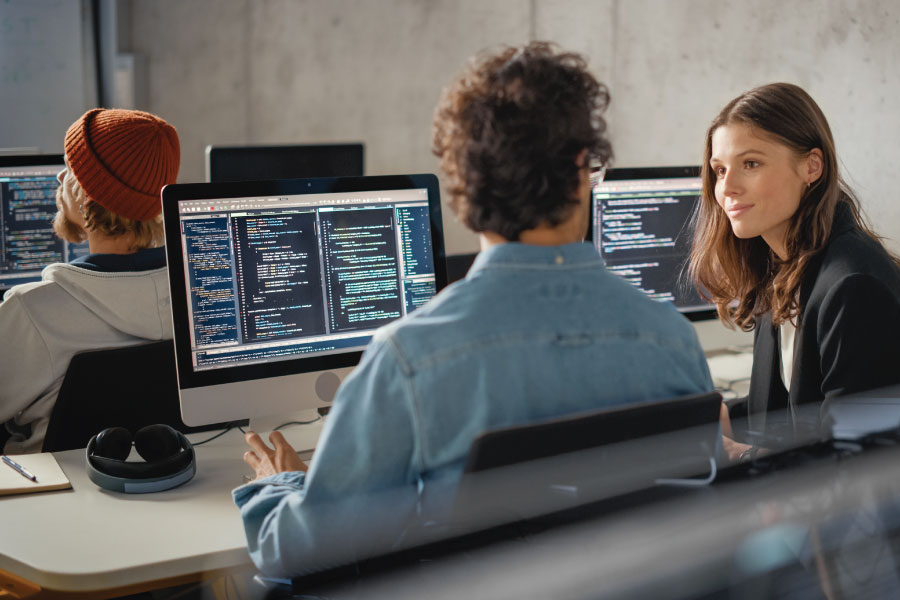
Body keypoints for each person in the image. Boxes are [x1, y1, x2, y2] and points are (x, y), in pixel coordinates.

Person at [234, 42, 713, 578]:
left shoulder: (409, 360)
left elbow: (299, 555)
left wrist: (280, 486)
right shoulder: (673, 340)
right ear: (583, 169)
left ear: (464, 184)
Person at [688, 82, 900, 461]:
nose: (727, 187)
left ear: (811, 167)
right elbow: (782, 415)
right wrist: (705, 420)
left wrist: (744, 455)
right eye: (719, 170)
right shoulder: (784, 268)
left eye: (750, 164)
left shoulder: (854, 287)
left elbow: (858, 462)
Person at [0, 108, 181, 454]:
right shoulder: (199, 299)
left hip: (49, 499)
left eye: (70, 170)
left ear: (85, 195)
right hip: (166, 490)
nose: (59, 179)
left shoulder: (31, 311)